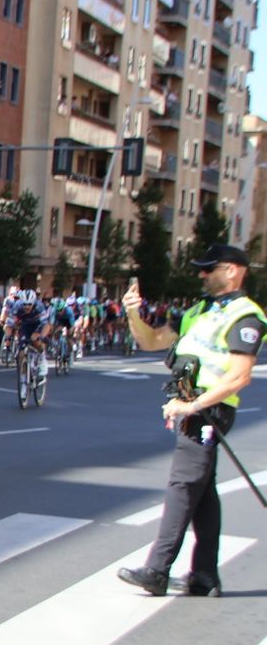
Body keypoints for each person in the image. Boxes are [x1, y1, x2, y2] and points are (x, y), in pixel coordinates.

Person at [118, 244, 264, 597]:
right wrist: (133, 314)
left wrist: (191, 405)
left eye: (208, 268)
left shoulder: (247, 316)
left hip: (208, 412)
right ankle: (204, 575)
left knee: (183, 485)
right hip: (193, 408)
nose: (201, 274)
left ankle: (157, 569)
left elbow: (240, 376)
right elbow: (151, 341)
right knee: (202, 492)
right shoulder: (198, 310)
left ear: (232, 271)